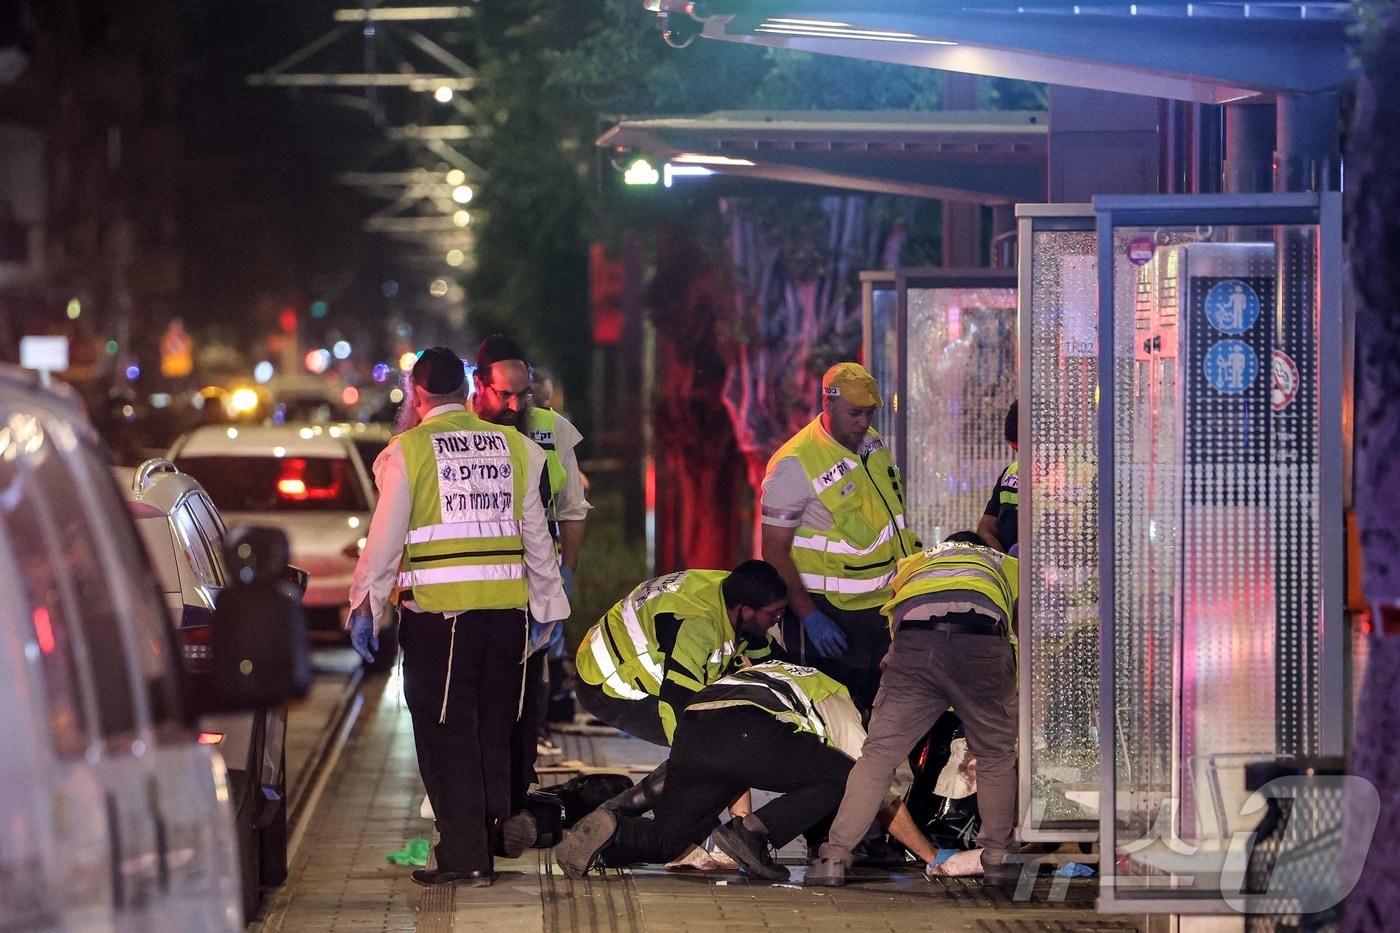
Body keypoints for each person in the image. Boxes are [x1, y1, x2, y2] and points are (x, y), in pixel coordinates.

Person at [345, 347, 568, 888]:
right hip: (508, 619)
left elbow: (385, 538)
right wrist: (549, 607)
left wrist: (365, 605)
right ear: (467, 391)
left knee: (446, 734)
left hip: (443, 621)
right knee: (495, 728)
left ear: (418, 394)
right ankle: (487, 840)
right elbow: (537, 536)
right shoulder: (516, 447)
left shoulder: (409, 452)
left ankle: (466, 856)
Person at [553, 661, 944, 881]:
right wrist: (932, 857)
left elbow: (736, 769)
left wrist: (736, 823)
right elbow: (876, 789)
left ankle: (613, 831)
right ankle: (758, 833)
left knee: (670, 840)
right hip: (744, 728)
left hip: (695, 727)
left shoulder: (779, 670)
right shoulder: (836, 695)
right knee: (850, 777)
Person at [807, 532, 1020, 887]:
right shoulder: (1003, 563)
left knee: (877, 758)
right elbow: (1018, 629)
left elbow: (896, 623)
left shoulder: (916, 563)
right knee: (996, 756)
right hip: (981, 640)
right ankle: (997, 860)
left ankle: (835, 858)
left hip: (916, 643)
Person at [473, 335, 593, 855]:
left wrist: (566, 574)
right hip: (477, 592)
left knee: (526, 703)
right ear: (480, 387)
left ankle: (511, 804)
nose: (517, 406)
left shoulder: (550, 430)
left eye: (524, 394)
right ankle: (477, 809)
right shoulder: (463, 434)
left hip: (534, 591)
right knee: (476, 706)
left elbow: (571, 508)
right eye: (505, 395)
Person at [759, 362, 921, 715]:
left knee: (876, 712)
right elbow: (774, 550)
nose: (863, 423)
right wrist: (808, 615)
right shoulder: (795, 464)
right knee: (832, 716)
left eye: (868, 413)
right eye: (854, 413)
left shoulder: (870, 443)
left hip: (880, 611)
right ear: (827, 404)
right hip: (829, 615)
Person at [573, 561, 787, 814]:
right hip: (607, 685)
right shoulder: (697, 624)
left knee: (723, 741)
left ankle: (739, 827)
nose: (776, 621)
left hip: (624, 662)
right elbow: (676, 704)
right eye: (773, 614)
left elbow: (768, 657)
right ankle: (619, 817)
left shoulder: (731, 592)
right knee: (709, 747)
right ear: (747, 611)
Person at [977, 400, 1019, 554]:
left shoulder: (1074, 475)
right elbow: (986, 528)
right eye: (1015, 447)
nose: (1019, 453)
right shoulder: (1011, 473)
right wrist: (1005, 563)